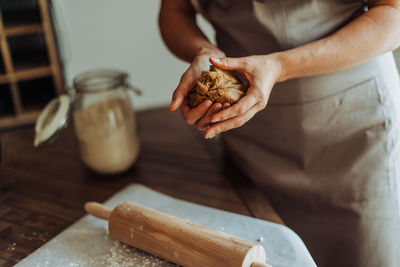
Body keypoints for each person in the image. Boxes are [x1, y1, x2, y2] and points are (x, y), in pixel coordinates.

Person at [158, 0, 400, 266]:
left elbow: (393, 14)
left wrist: (280, 65)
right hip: (252, 143)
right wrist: (206, 54)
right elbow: (175, 11)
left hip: (354, 133)